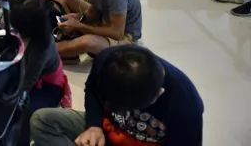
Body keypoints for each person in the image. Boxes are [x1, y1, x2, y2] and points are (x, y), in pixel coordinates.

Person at [30, 45, 204, 146]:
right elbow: (91, 90)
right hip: (107, 132)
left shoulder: (186, 106)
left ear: (158, 94)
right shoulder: (109, 62)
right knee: (41, 120)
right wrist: (94, 125)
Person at [9, 0, 70, 146]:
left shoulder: (41, 47)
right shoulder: (31, 32)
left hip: (48, 87)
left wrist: (13, 100)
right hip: (30, 76)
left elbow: (29, 80)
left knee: (21, 114)